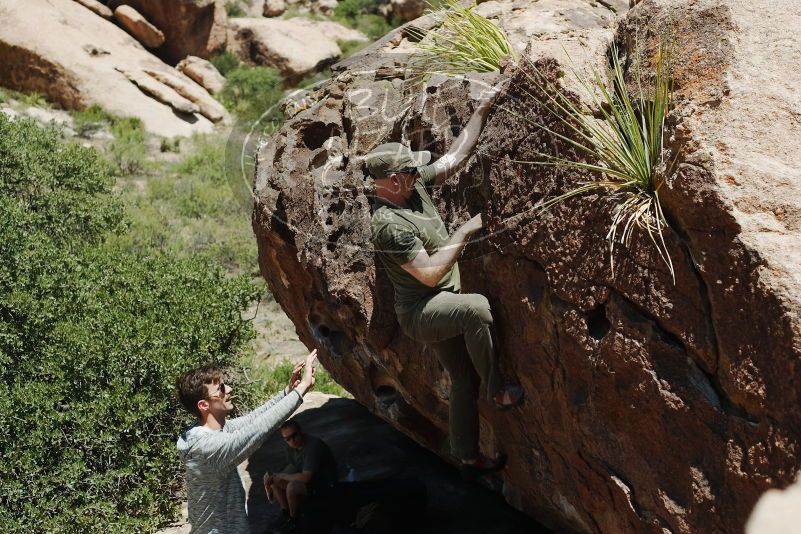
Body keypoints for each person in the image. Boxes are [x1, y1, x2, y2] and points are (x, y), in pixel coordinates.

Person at [368, 80, 524, 479]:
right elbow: (430, 272)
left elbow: (455, 157)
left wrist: (483, 110)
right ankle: (498, 389)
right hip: (423, 312)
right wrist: (464, 232)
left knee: (461, 379)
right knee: (478, 310)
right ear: (394, 180)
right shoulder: (388, 224)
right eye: (408, 169)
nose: (415, 171)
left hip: (441, 301)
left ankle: (467, 456)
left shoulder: (410, 185)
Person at [176, 349, 318, 534]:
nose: (229, 390)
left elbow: (253, 419)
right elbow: (258, 429)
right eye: (220, 389)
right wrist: (302, 388)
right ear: (204, 405)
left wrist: (288, 392)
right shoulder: (209, 447)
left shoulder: (206, 431)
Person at [263, 420, 339, 531]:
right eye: (287, 439)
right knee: (275, 481)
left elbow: (306, 477)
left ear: (301, 432)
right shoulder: (290, 447)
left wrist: (283, 475)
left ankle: (294, 521)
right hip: (309, 481)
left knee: (292, 487)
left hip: (325, 484)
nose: (292, 440)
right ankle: (286, 514)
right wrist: (275, 476)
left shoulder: (313, 446)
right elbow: (292, 466)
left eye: (294, 436)